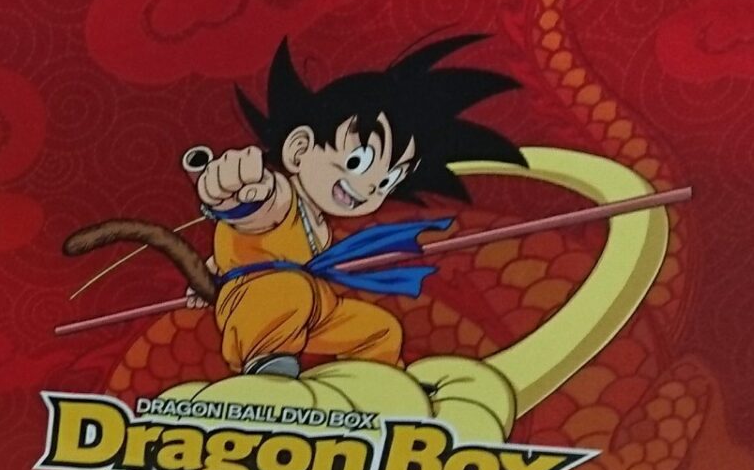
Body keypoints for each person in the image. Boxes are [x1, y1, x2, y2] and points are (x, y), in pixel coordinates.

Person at [188, 35, 527, 375]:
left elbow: (232, 252)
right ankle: (266, 369)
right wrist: (233, 191)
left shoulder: (317, 222)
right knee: (289, 291)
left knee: (380, 329)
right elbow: (254, 211)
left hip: (313, 310)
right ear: (299, 149)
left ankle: (373, 384)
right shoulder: (280, 196)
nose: (370, 189)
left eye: (387, 182)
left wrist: (209, 276)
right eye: (359, 162)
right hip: (261, 306)